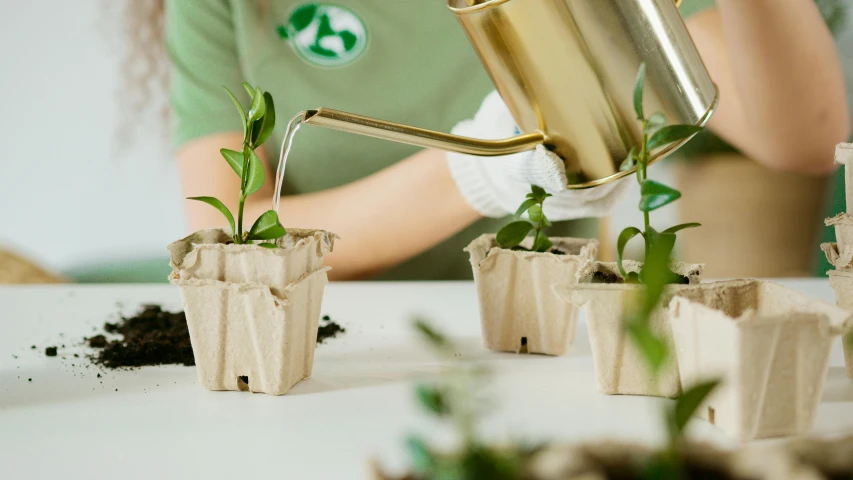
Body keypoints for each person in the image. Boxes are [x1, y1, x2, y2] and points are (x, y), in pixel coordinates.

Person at [163, 0, 850, 281]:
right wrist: (479, 171)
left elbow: (799, 139)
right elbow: (232, 239)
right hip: (311, 333)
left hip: (534, 318)